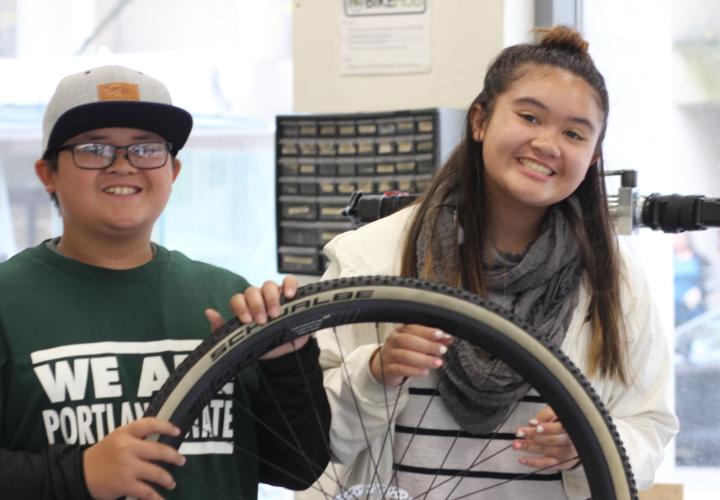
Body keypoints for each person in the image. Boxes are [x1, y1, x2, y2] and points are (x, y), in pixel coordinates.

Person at [238, 26, 678, 499]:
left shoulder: (616, 281)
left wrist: (587, 442)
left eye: (574, 133)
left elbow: (650, 423)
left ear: (592, 158)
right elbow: (310, 441)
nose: (548, 143)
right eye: (529, 116)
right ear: (479, 121)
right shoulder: (371, 255)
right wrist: (376, 372)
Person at [0, 65, 330, 500]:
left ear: (172, 171)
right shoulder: (8, 299)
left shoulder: (224, 294)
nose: (123, 165)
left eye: (146, 149)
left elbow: (297, 467)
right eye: (94, 149)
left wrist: (286, 361)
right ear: (48, 173)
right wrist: (79, 474)